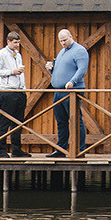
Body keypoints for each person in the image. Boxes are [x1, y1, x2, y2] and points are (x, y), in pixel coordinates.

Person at [46, 27, 89, 155]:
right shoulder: (62, 52)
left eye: (65, 40)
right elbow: (59, 71)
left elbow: (82, 70)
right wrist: (50, 69)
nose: (63, 43)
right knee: (61, 121)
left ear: (71, 37)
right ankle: (61, 149)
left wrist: (72, 82)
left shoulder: (80, 50)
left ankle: (80, 150)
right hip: (58, 91)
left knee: (76, 120)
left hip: (72, 91)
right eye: (61, 41)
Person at [0, 31, 26, 158]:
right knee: (4, 121)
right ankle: (1, 150)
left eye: (18, 42)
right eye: (15, 42)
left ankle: (17, 149)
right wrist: (12, 71)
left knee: (18, 122)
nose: (17, 45)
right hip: (8, 91)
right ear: (8, 42)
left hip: (20, 91)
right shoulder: (1, 54)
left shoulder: (18, 54)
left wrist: (24, 88)